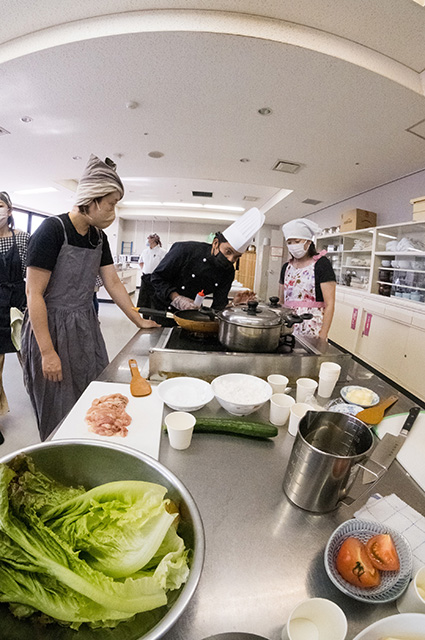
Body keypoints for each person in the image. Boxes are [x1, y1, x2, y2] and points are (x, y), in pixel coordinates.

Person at [21, 154, 158, 441]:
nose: (113, 212)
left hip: (85, 325)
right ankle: (58, 452)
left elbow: (113, 282)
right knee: (57, 402)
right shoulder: (52, 231)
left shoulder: (98, 237)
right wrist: (47, 352)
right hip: (51, 326)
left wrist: (138, 320)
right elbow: (34, 294)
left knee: (93, 390)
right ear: (92, 200)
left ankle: (90, 445)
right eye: (110, 204)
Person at [143, 207, 265, 320]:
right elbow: (157, 278)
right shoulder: (184, 250)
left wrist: (233, 304)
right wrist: (176, 298)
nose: (230, 259)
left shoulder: (228, 272)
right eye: (228, 252)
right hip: (164, 312)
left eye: (236, 257)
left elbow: (217, 308)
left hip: (191, 317)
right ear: (216, 243)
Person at [0, 191, 30, 440]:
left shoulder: (22, 239)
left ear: (9, 210)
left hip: (17, 307)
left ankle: (41, 399)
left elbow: (33, 275)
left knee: (29, 359)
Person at [279, 218, 336, 340]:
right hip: (288, 325)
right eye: (289, 242)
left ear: (308, 242)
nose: (293, 246)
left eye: (297, 241)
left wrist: (323, 334)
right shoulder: (286, 267)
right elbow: (281, 301)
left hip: (313, 326)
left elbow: (330, 304)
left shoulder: (321, 264)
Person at [136, 233, 167, 308]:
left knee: (154, 298)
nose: (147, 240)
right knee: (144, 298)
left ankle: (154, 315)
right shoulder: (145, 251)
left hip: (156, 278)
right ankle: (145, 315)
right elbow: (141, 262)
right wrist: (144, 270)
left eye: (148, 238)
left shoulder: (162, 252)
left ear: (153, 240)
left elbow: (165, 264)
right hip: (146, 277)